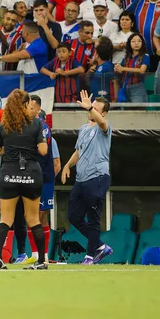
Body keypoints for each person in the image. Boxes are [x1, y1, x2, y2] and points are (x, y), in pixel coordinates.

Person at [0, 89, 50, 270]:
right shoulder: (36, 124)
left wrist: (10, 148)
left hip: (9, 173)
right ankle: (40, 261)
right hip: (31, 173)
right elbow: (43, 150)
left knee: (6, 218)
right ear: (25, 104)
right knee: (33, 219)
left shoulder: (3, 126)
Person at [60, 90, 113, 265]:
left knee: (93, 217)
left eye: (97, 109)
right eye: (92, 108)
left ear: (103, 112)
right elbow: (78, 151)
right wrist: (68, 165)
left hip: (97, 177)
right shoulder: (83, 129)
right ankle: (100, 246)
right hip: (81, 179)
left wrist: (90, 107)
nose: (92, 112)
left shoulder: (104, 128)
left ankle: (90, 257)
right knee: (73, 216)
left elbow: (102, 123)